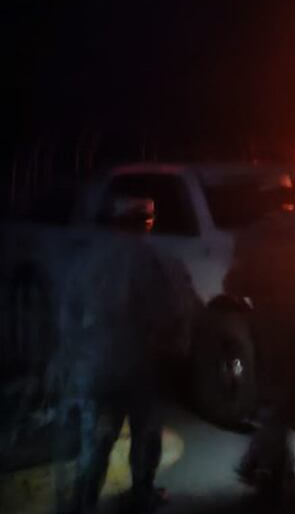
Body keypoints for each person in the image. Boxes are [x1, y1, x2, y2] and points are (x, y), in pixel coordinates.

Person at [54, 197, 194, 513]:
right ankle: (142, 492)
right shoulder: (154, 259)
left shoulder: (87, 259)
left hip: (97, 367)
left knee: (99, 436)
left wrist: (75, 357)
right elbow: (172, 312)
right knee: (145, 432)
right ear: (147, 222)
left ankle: (84, 497)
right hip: (141, 366)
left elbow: (67, 315)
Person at [225, 199, 295, 496]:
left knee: (273, 393)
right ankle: (272, 462)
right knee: (282, 391)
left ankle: (266, 465)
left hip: (267, 320)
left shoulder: (254, 234)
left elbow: (235, 282)